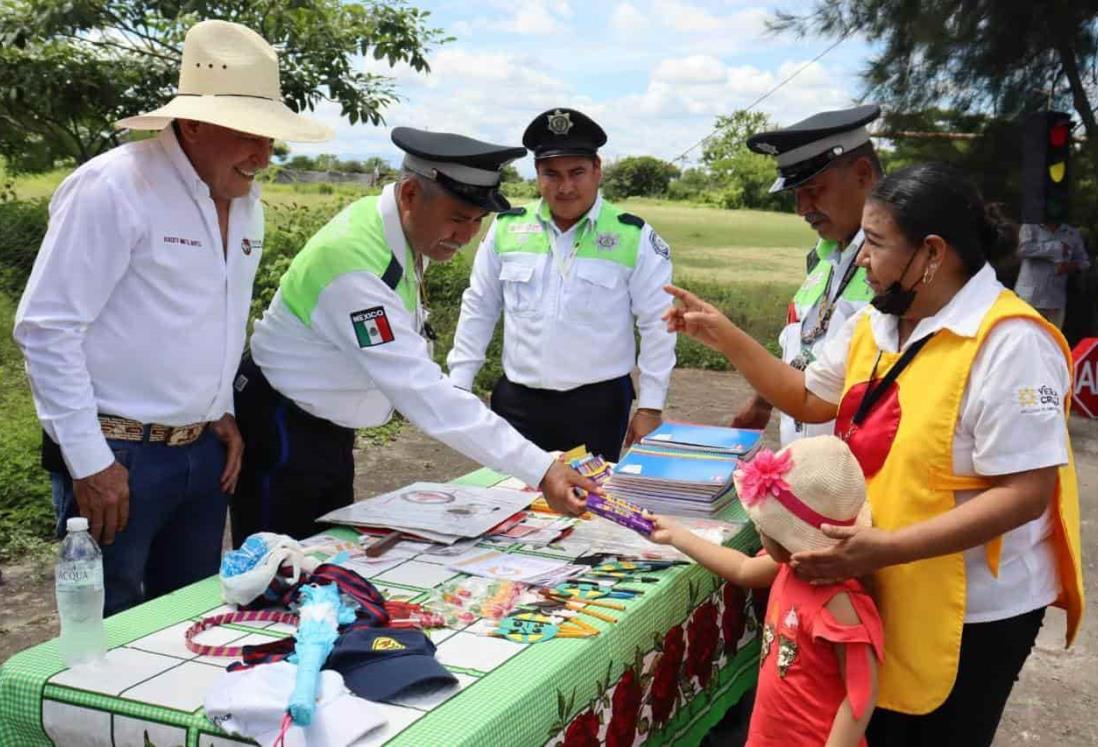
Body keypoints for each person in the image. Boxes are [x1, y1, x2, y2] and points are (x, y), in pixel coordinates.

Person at [662, 163, 1084, 746]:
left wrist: (885, 548)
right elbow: (810, 397)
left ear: (932, 253)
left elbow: (1026, 493)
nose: (862, 258)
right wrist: (725, 335)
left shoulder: (1011, 342)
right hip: (885, 572)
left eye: (877, 244)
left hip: (974, 608)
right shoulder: (877, 323)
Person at [13, 20, 332, 615]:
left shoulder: (246, 203)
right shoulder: (114, 186)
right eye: (250, 135)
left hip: (204, 456)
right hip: (118, 455)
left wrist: (221, 409)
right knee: (106, 635)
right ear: (191, 123)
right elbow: (46, 328)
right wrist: (90, 462)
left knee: (185, 619)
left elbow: (216, 319)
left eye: (270, 138)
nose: (265, 155)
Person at [232, 127, 598, 545]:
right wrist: (540, 468)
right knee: (277, 570)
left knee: (328, 557)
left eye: (478, 221)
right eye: (458, 218)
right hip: (284, 426)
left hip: (326, 426)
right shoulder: (353, 266)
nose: (466, 236)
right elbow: (419, 388)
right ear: (409, 194)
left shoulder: (395, 229)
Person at [447, 108, 675, 461]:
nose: (565, 187)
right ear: (536, 175)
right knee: (510, 502)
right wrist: (460, 383)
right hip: (518, 401)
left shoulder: (633, 235)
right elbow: (479, 306)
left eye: (577, 173)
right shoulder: (507, 228)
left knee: (590, 506)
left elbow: (659, 323)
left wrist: (651, 407)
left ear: (597, 170)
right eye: (551, 174)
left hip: (597, 404)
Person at [652, 435, 883, 747]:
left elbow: (861, 694)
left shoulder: (839, 602)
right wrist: (678, 536)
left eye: (766, 525)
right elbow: (742, 569)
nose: (758, 529)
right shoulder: (792, 567)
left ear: (792, 540)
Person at [732, 105, 883, 446]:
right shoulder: (824, 256)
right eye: (795, 195)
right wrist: (763, 400)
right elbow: (807, 343)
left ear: (863, 175)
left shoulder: (902, 267)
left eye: (813, 190)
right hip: (810, 467)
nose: (801, 209)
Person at [1015, 221, 1090, 328]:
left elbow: (1084, 261)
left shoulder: (1072, 233)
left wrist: (1070, 266)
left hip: (1055, 301)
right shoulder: (1030, 227)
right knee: (1024, 339)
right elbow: (1023, 249)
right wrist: (1057, 248)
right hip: (1029, 299)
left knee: (1052, 341)